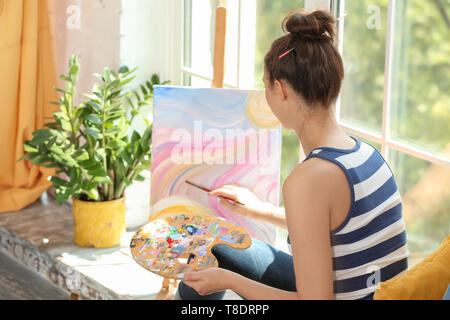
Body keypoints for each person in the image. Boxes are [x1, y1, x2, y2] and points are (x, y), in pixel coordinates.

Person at [175, 9, 409, 300]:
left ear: (281, 89)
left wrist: (228, 281)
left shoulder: (308, 178)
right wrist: (259, 210)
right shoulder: (366, 155)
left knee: (204, 275)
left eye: (265, 86)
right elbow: (335, 228)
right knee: (212, 245)